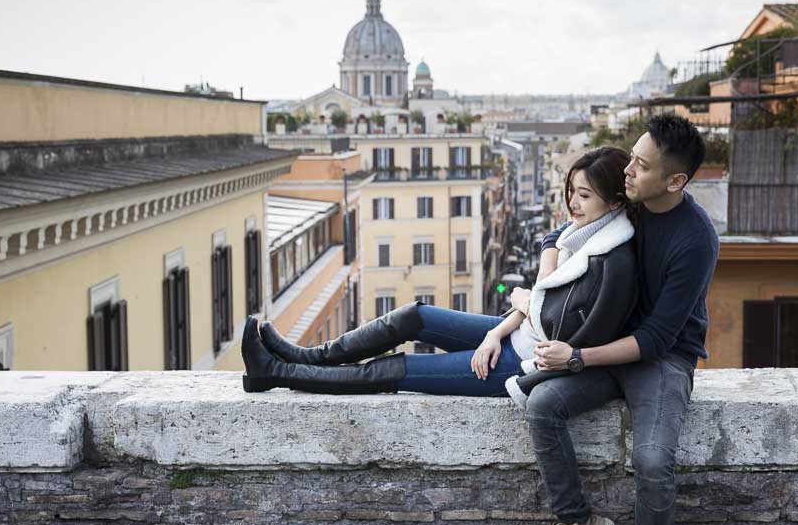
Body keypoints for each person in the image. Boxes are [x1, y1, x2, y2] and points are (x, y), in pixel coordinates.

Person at [240, 147, 637, 410]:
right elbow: (539, 294)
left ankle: (277, 373)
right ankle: (304, 355)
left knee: (396, 370)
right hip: (510, 339)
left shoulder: (612, 262)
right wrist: (497, 331)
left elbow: (552, 323)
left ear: (614, 201)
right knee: (415, 316)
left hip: (522, 365)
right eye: (571, 191)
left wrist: (523, 300)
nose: (572, 202)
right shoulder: (579, 235)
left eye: (583, 196)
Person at [517, 113, 718, 525]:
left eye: (642, 165)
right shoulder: (631, 200)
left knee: (652, 460)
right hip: (606, 344)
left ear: (675, 181)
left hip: (661, 359)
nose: (628, 170)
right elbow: (562, 230)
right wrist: (546, 277)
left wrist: (578, 357)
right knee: (542, 405)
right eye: (632, 156)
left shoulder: (695, 240)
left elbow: (654, 339)